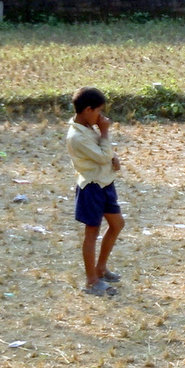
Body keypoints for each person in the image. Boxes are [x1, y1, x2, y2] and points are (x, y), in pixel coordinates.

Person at [66, 87, 124, 296]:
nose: (101, 116)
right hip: (91, 187)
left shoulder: (88, 127)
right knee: (92, 233)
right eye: (98, 111)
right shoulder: (76, 137)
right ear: (88, 110)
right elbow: (100, 156)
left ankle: (101, 268)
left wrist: (112, 156)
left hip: (104, 182)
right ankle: (92, 281)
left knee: (117, 224)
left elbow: (101, 150)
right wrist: (106, 132)